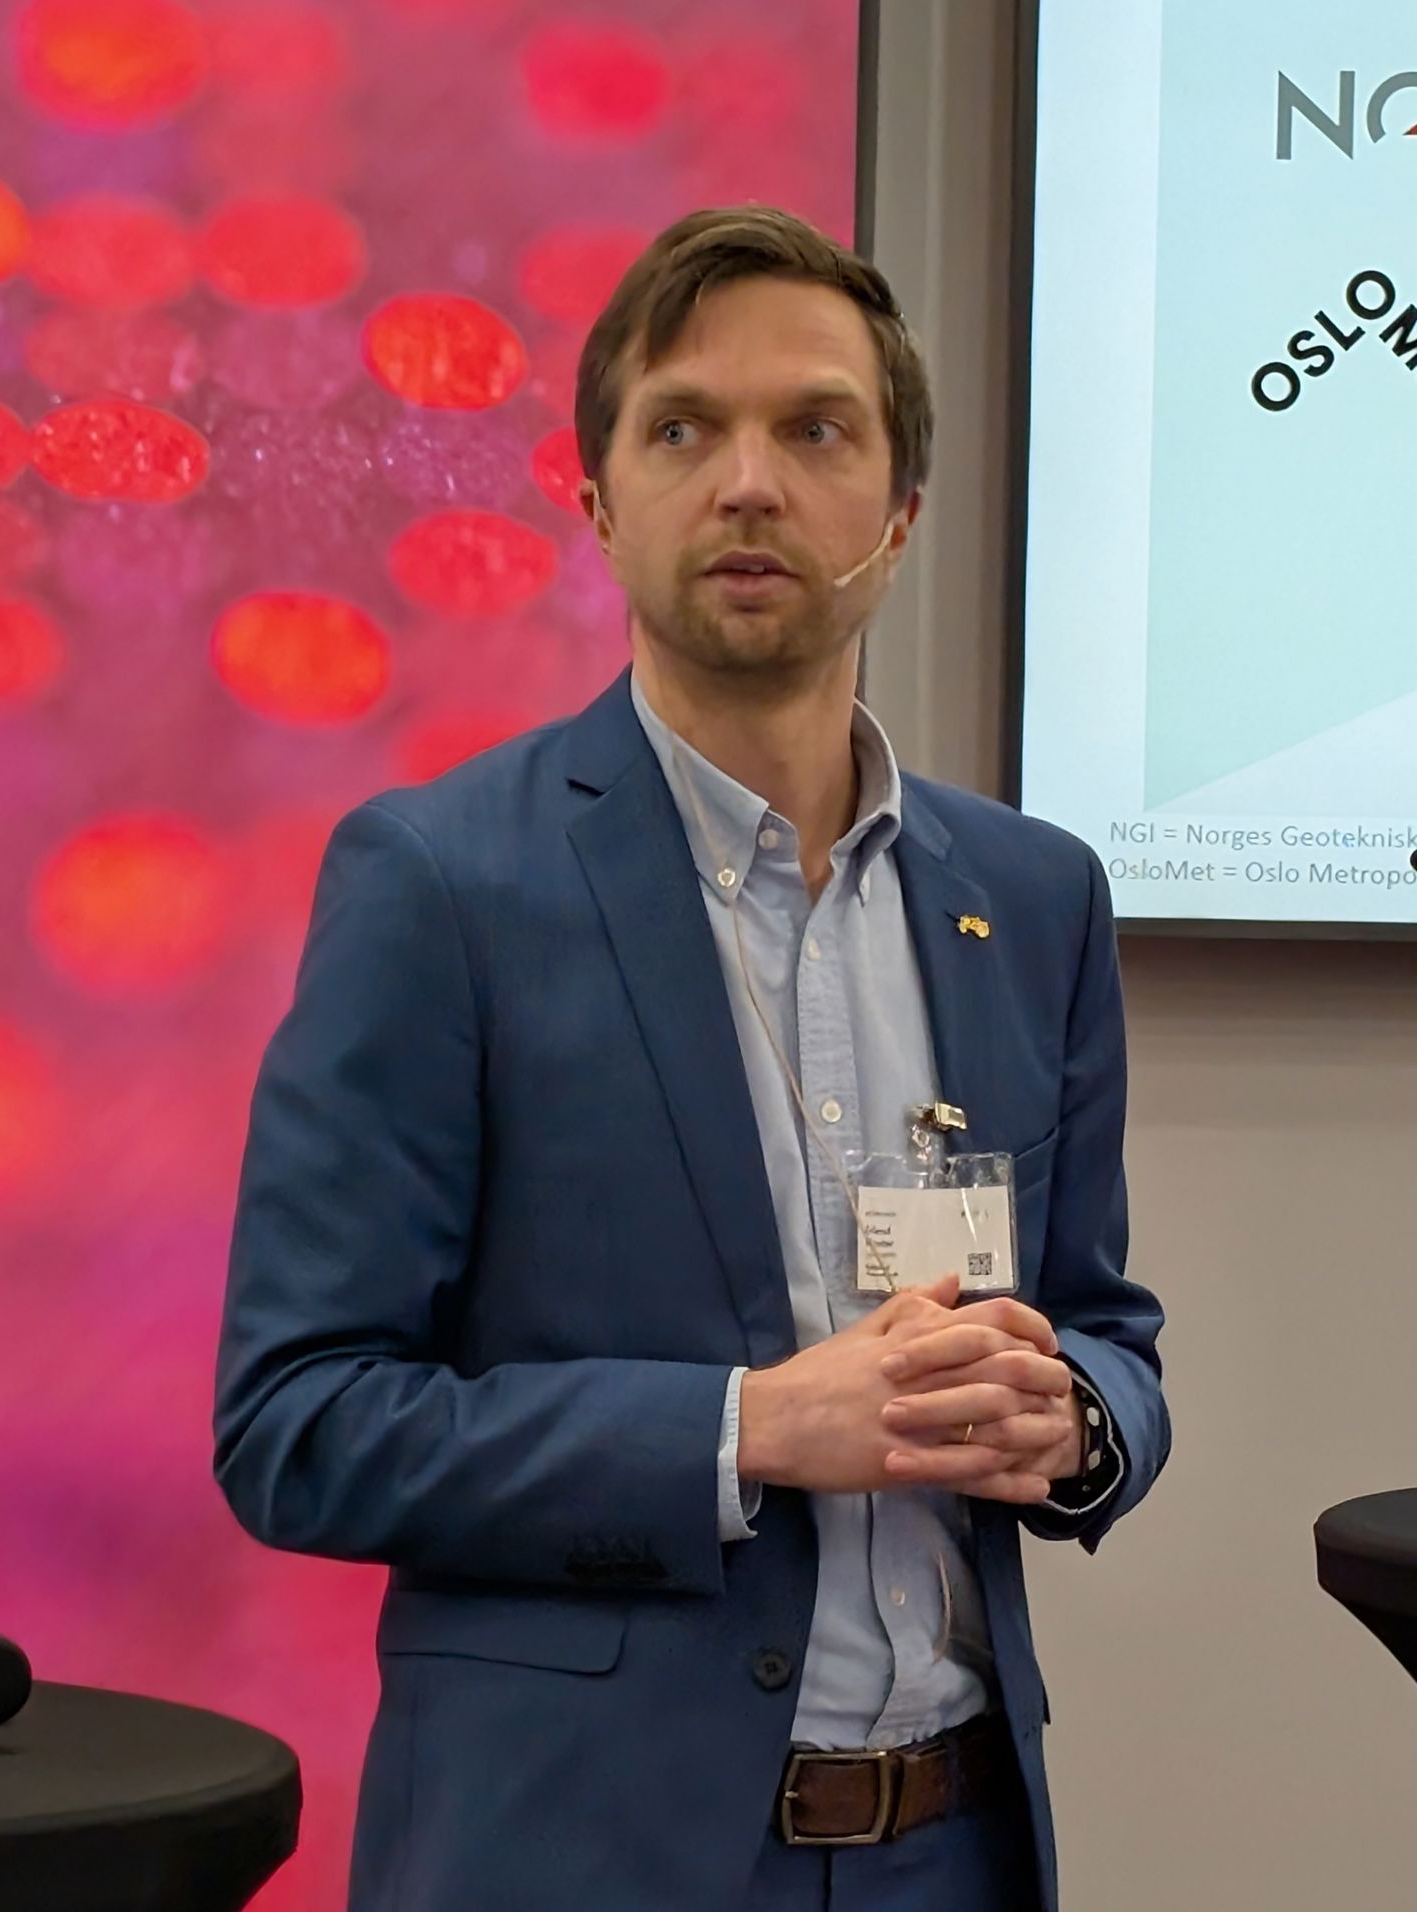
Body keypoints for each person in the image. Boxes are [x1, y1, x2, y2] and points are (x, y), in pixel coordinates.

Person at [214, 205, 1170, 1912]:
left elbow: (1108, 1326)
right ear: (596, 502)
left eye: (815, 429)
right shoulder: (441, 883)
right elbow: (301, 1423)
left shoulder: (1034, 900)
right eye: (682, 429)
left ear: (901, 514)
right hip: (581, 1859)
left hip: (955, 1848)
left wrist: (1077, 1421)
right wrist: (748, 1429)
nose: (747, 483)